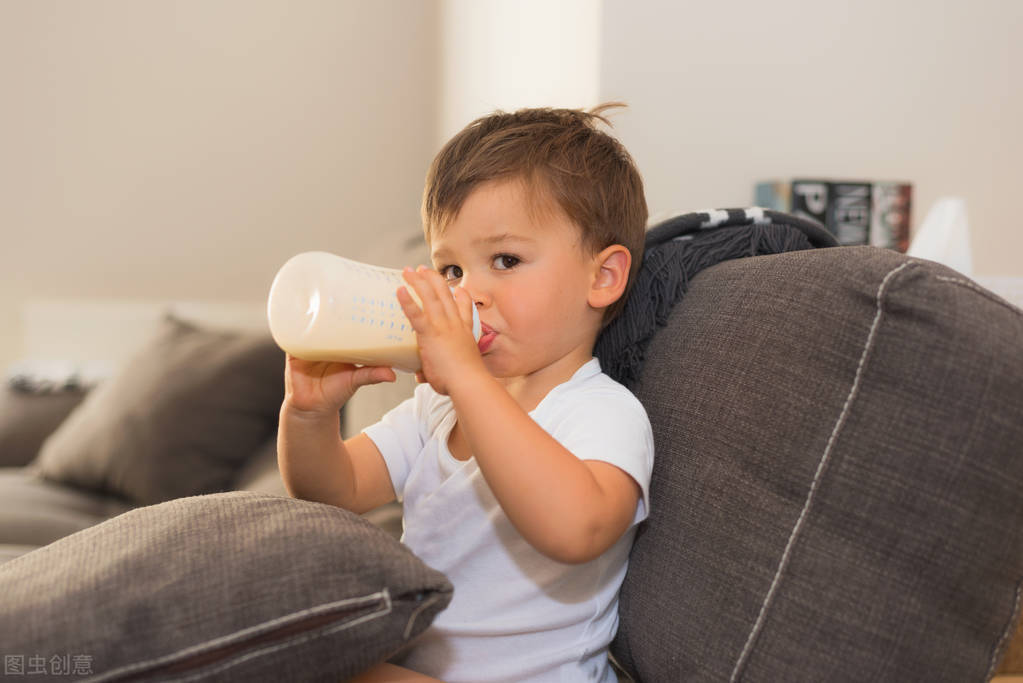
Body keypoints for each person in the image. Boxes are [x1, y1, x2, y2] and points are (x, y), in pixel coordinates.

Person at [277, 104, 654, 682]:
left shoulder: (602, 412)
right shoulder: (438, 407)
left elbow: (578, 529)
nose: (468, 293)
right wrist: (308, 416)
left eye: (505, 260)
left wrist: (471, 381)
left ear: (601, 277)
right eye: (450, 271)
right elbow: (334, 491)